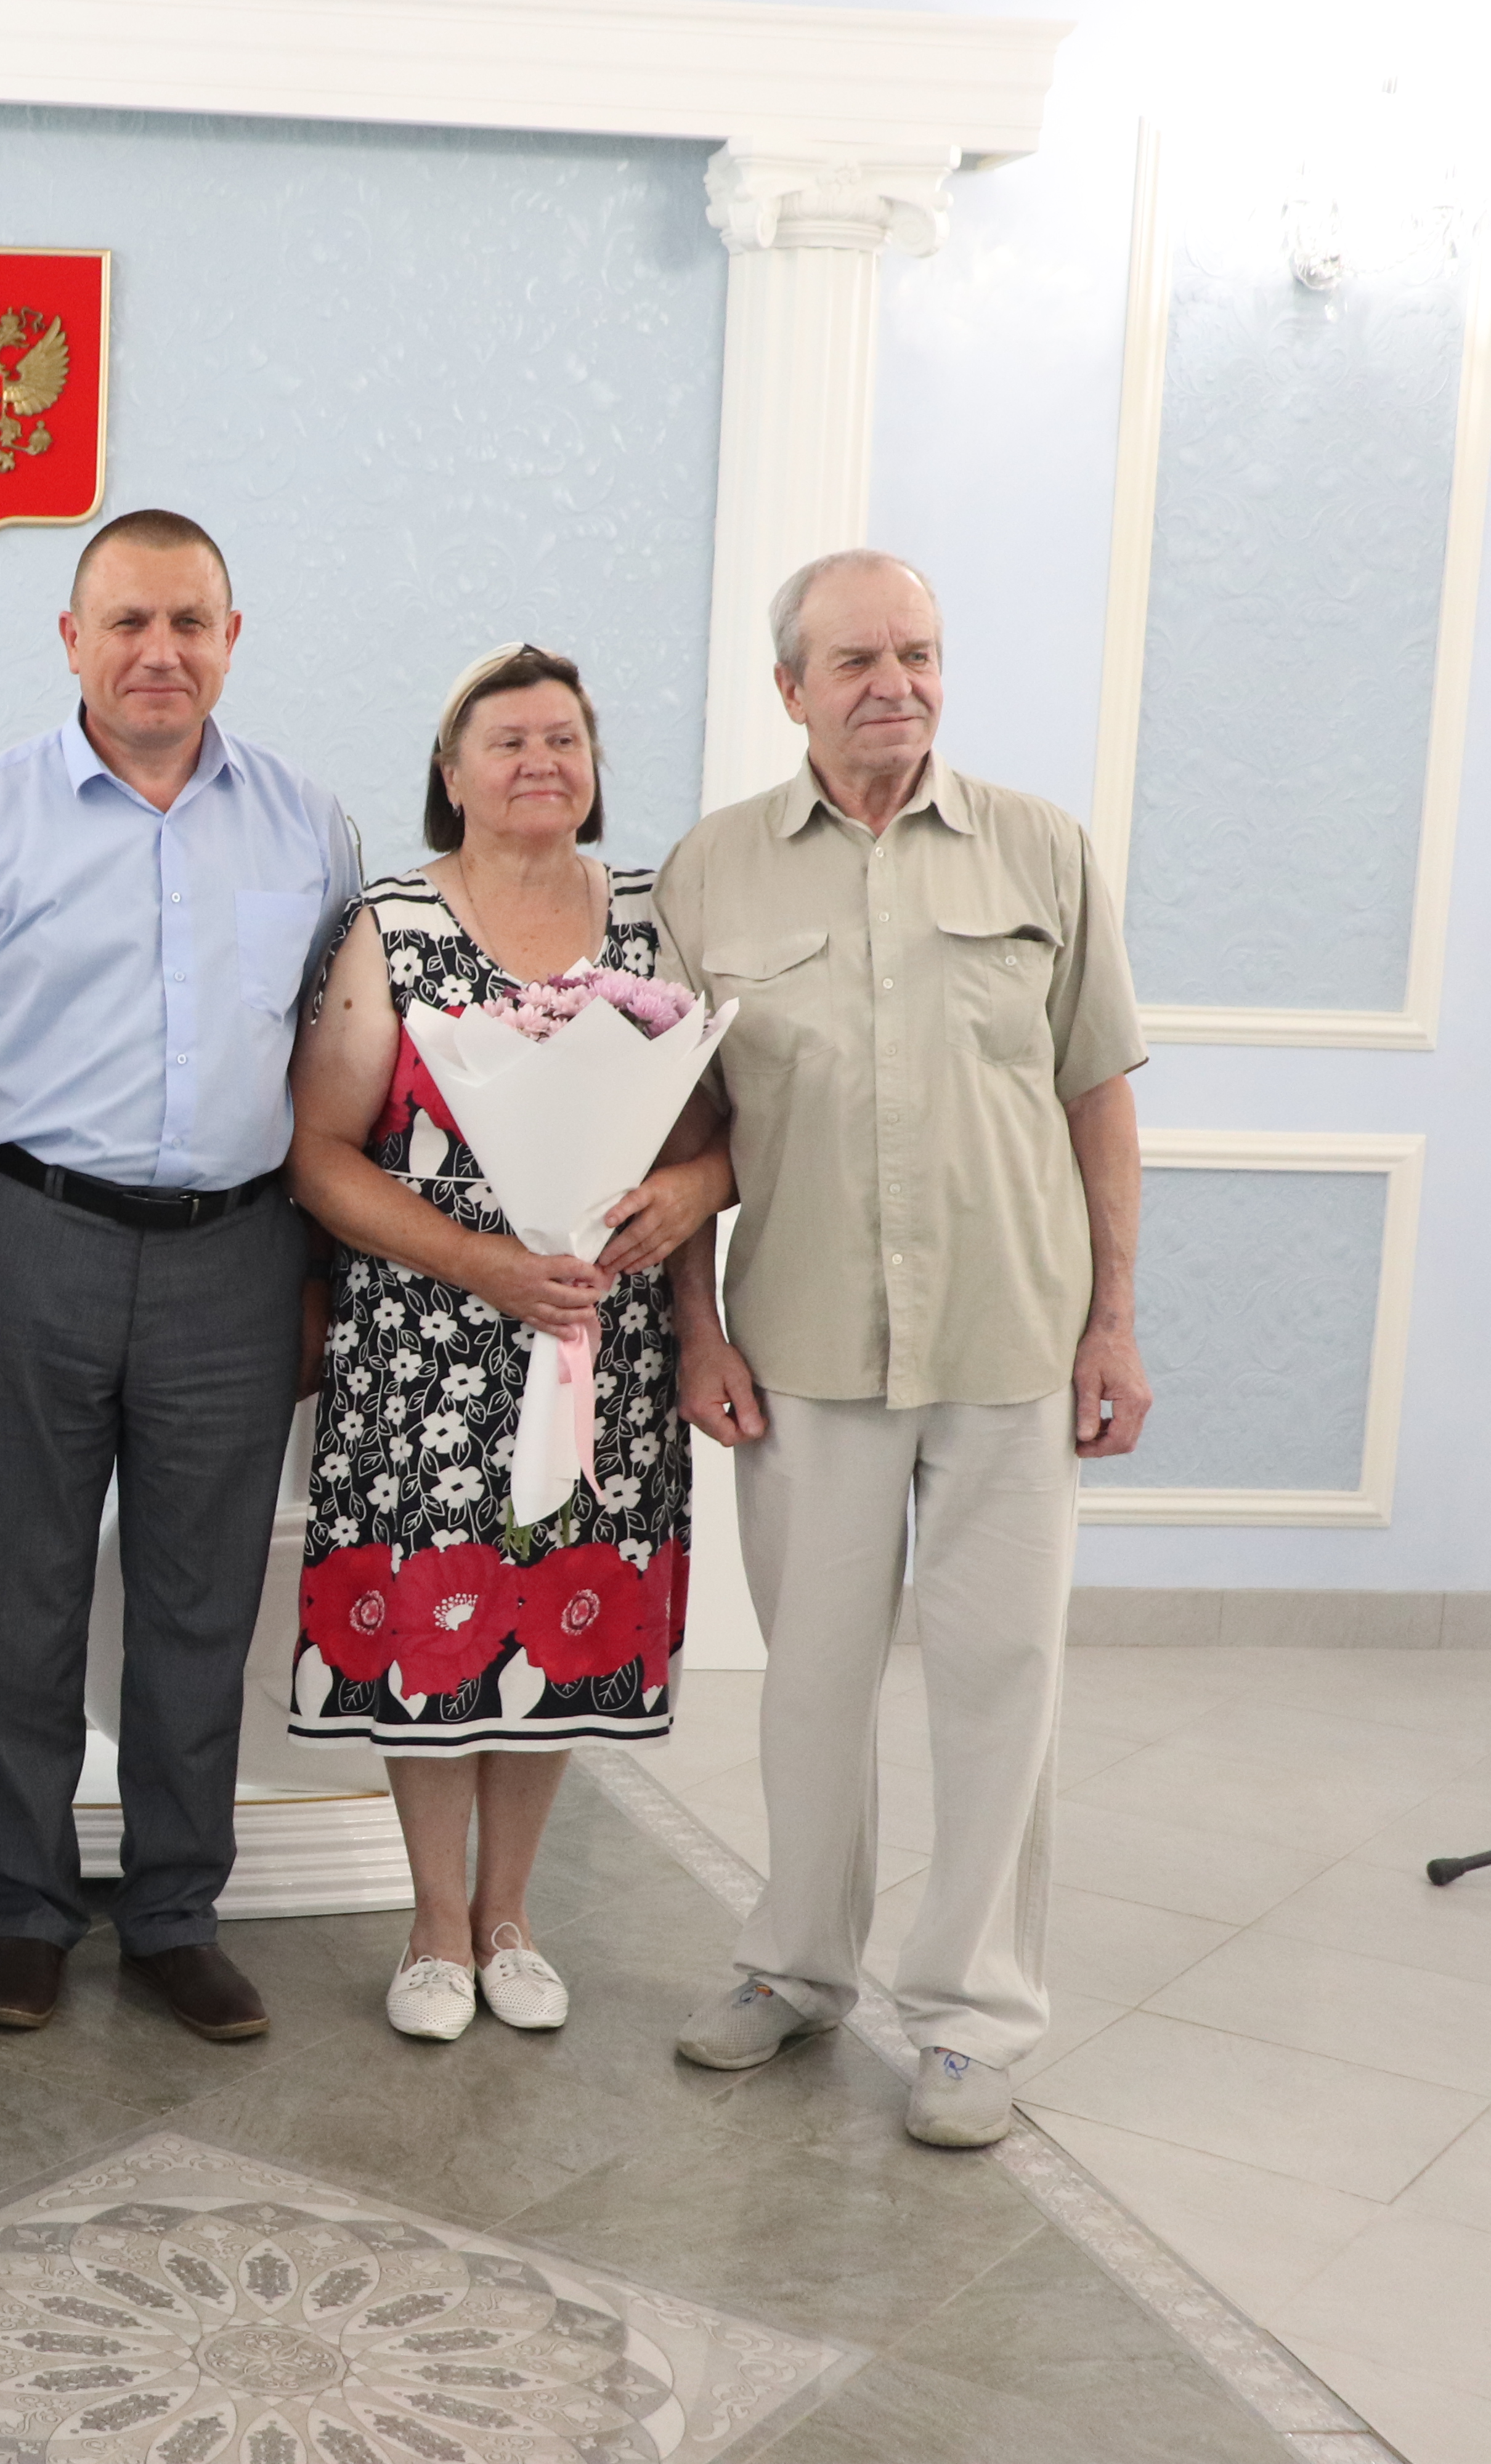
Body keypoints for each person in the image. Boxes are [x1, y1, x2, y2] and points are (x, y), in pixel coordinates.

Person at [657, 548, 1150, 2149]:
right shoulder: (715, 872)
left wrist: (1116, 1322)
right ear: (789, 687)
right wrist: (696, 1330)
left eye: (921, 653)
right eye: (859, 659)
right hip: (802, 1346)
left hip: (1012, 1338)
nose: (898, 684)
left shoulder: (1043, 853)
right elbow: (682, 1133)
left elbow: (1099, 1097)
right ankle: (796, 1971)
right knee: (810, 1688)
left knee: (1002, 1686)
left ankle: (972, 2017)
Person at [0, 508, 362, 2043]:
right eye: (128, 621)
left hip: (238, 1251)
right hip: (27, 1242)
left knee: (201, 1599)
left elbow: (345, 1073)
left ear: (232, 637)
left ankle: (173, 1909)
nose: (160, 651)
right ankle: (24, 1905)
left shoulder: (308, 827)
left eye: (190, 621)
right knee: (27, 1589)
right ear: (70, 640)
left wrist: (316, 1282)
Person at [285, 644, 730, 2041]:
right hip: (429, 1339)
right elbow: (320, 1154)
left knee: (561, 1601)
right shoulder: (391, 921)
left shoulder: (661, 918)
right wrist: (485, 1261)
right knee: (437, 1612)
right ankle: (431, 1922)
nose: (541, 760)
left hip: (605, 1335)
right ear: (451, 768)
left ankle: (511, 1914)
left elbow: (725, 1135)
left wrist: (682, 1196)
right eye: (508, 739)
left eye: (566, 738)